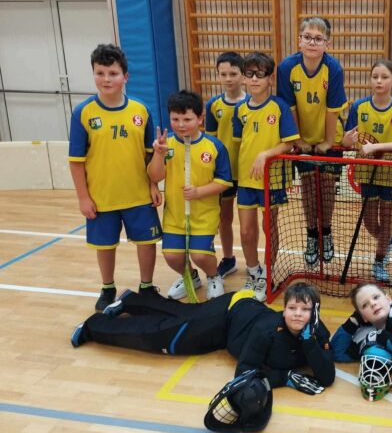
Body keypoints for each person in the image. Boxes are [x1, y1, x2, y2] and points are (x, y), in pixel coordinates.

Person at [70, 282, 335, 394]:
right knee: (164, 336)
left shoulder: (318, 331)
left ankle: (131, 301)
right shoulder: (266, 330)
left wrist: (309, 342)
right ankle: (94, 326)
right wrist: (285, 378)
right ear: (284, 309)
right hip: (226, 317)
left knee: (184, 315)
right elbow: (243, 373)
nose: (297, 314)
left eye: (305, 309)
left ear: (315, 312)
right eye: (292, 308)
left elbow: (327, 377)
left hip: (240, 310)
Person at [68, 44, 162, 311]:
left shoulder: (141, 110)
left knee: (146, 243)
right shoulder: (83, 113)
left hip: (138, 194)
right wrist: (83, 198)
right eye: (100, 73)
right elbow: (76, 161)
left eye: (113, 73)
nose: (106, 79)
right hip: (102, 197)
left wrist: (153, 185)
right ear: (93, 74)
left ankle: (147, 286)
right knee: (105, 245)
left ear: (125, 77)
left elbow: (150, 155)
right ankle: (107, 288)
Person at [277, 17, 348, 267]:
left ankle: (326, 232)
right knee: (308, 188)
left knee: (327, 188)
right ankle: (311, 235)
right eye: (307, 37)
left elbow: (332, 109)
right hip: (303, 136)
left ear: (327, 43)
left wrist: (328, 141)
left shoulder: (333, 69)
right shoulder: (287, 67)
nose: (312, 42)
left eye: (318, 39)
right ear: (299, 40)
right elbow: (289, 107)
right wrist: (298, 139)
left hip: (329, 135)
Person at [148, 90, 232, 300]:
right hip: (175, 216)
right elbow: (155, 176)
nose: (181, 124)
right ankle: (190, 277)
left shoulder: (214, 146)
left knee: (200, 255)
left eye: (187, 119)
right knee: (172, 256)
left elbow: (224, 182)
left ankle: (213, 276)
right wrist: (158, 154)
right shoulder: (165, 145)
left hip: (204, 215)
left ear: (200, 118)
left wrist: (198, 192)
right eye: (175, 119)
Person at [233, 52, 300, 301]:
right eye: (249, 74)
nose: (254, 79)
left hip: (271, 179)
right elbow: (239, 143)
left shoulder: (279, 107)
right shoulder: (240, 109)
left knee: (268, 228)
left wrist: (265, 155)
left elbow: (289, 143)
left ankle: (268, 275)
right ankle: (254, 272)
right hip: (246, 180)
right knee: (246, 231)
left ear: (270, 79)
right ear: (244, 78)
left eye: (260, 74)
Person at [341, 59, 392, 282]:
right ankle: (388, 241)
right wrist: (347, 140)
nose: (379, 81)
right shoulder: (359, 107)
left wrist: (376, 147)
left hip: (390, 173)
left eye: (384, 77)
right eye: (375, 77)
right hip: (366, 172)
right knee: (370, 221)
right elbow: (346, 141)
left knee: (387, 218)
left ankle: (379, 262)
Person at [205, 52, 249, 280]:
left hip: (248, 172)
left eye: (233, 73)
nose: (228, 78)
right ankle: (229, 258)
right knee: (225, 218)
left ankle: (254, 263)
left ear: (243, 75)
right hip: (224, 173)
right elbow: (210, 142)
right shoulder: (213, 105)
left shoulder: (252, 103)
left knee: (248, 223)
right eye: (223, 74)